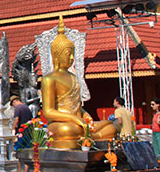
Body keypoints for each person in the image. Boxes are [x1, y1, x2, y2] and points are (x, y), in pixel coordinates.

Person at [41, 17, 115, 149]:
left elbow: (76, 105)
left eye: (72, 54)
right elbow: (48, 111)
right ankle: (88, 137)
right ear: (57, 55)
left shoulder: (73, 77)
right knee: (66, 130)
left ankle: (90, 138)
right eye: (68, 54)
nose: (71, 58)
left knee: (111, 126)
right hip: (62, 123)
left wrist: (85, 115)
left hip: (78, 121)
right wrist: (74, 119)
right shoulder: (49, 79)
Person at [11, 95, 32, 172]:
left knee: (17, 150)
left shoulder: (18, 108)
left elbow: (17, 119)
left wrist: (13, 129)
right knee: (26, 151)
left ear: (15, 102)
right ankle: (26, 171)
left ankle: (19, 169)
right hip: (29, 132)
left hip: (21, 132)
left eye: (13, 104)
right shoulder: (27, 108)